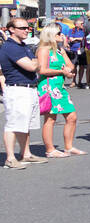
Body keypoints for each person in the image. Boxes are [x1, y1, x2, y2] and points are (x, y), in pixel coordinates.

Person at [2, 17, 47, 169]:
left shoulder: (23, 46)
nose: (26, 30)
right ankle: (9, 158)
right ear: (11, 30)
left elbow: (36, 64)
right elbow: (32, 66)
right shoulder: (11, 47)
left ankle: (26, 154)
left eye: (27, 28)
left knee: (24, 124)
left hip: (29, 88)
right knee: (13, 124)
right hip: (17, 89)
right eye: (22, 28)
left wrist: (35, 63)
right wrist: (35, 63)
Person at [36, 23, 83, 158]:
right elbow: (43, 70)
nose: (61, 36)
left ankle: (69, 147)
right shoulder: (44, 50)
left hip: (59, 86)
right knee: (50, 118)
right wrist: (62, 71)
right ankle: (50, 149)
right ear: (50, 35)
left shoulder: (58, 50)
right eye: (58, 34)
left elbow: (71, 67)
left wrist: (65, 63)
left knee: (72, 116)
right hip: (49, 86)